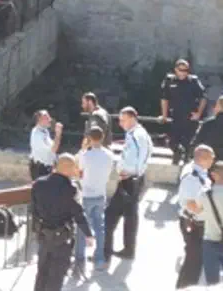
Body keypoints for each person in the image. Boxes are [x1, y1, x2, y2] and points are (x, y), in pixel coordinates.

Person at [31, 153, 93, 291]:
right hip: (61, 238)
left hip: (43, 235)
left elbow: (33, 210)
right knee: (56, 274)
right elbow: (78, 214)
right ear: (69, 169)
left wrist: (36, 230)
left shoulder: (38, 184)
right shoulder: (71, 189)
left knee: (42, 272)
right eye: (74, 167)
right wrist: (88, 234)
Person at [104, 106, 153, 262]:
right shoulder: (142, 133)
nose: (120, 123)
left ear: (132, 118)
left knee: (110, 216)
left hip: (128, 180)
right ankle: (128, 249)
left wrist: (124, 172)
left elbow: (131, 158)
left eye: (122, 119)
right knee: (131, 217)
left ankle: (104, 252)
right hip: (137, 179)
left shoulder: (134, 136)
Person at [74, 126, 114, 273]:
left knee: (82, 227)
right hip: (100, 193)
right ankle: (99, 259)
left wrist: (83, 149)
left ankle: (80, 259)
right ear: (102, 137)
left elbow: (79, 172)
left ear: (89, 138)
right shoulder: (109, 155)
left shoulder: (85, 155)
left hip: (86, 195)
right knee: (99, 227)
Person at [175, 145, 215, 289]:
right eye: (212, 157)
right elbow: (191, 205)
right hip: (194, 224)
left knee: (195, 260)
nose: (213, 160)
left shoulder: (199, 172)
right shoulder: (192, 177)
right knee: (193, 263)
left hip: (196, 223)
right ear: (203, 158)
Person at [161, 59, 207, 165]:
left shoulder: (193, 81)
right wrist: (164, 115)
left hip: (190, 116)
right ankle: (177, 154)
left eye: (185, 70)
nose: (183, 72)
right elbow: (164, 98)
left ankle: (185, 163)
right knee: (172, 142)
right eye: (180, 70)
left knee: (188, 144)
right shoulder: (169, 80)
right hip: (175, 116)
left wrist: (199, 113)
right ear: (175, 70)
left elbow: (203, 97)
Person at [29, 110, 62, 181]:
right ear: (39, 120)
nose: (50, 120)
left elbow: (53, 148)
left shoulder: (45, 131)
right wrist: (58, 134)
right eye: (46, 117)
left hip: (47, 167)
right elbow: (53, 149)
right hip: (40, 169)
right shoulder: (37, 134)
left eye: (49, 117)